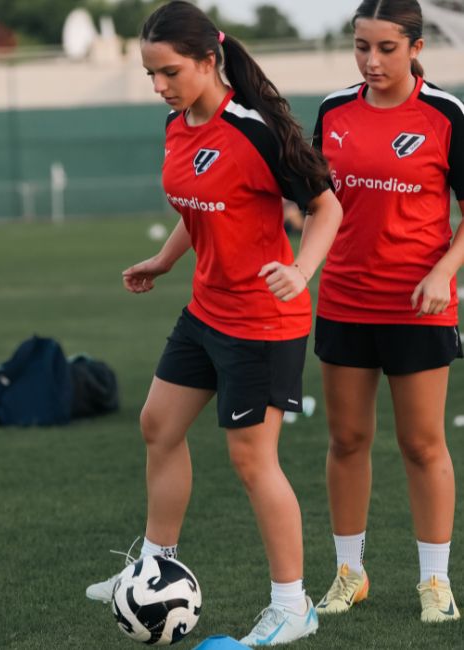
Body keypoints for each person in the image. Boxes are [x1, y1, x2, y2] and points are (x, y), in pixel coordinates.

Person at [85, 1, 343, 645]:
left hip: (262, 320)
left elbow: (325, 206)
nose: (158, 87)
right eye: (150, 74)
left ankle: (292, 606)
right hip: (206, 310)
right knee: (157, 425)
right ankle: (154, 562)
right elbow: (200, 206)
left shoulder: (256, 131)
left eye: (168, 72)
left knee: (253, 460)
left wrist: (302, 269)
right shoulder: (178, 124)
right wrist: (166, 259)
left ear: (207, 61)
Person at [311, 0, 463, 624]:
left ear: (417, 48)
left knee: (422, 443)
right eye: (361, 47)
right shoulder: (331, 111)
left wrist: (443, 271)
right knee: (347, 439)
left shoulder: (447, 115)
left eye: (386, 49)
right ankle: (350, 572)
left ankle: (435, 582)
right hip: (344, 299)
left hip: (420, 305)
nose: (371, 61)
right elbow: (316, 203)